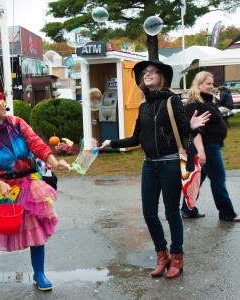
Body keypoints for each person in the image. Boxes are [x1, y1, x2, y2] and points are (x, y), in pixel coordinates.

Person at [99, 61, 210, 279]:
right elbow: (136, 138)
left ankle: (177, 257)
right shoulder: (144, 107)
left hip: (170, 164)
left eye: (153, 72)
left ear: (161, 78)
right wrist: (111, 142)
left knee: (171, 213)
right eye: (145, 73)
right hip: (149, 165)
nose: (148, 74)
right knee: (148, 213)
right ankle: (162, 255)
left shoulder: (172, 101)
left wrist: (193, 125)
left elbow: (185, 128)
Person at [0, 89, 70, 291]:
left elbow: (37, 145)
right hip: (2, 189)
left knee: (36, 229)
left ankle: (39, 274)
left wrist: (54, 161)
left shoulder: (16, 123)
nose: (1, 101)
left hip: (28, 184)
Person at [180, 72, 240, 222]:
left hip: (210, 146)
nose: (212, 86)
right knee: (219, 180)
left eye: (212, 84)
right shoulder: (195, 104)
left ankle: (188, 210)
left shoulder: (205, 101)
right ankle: (227, 213)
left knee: (198, 179)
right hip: (207, 148)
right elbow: (196, 130)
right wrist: (201, 151)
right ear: (198, 84)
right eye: (208, 83)